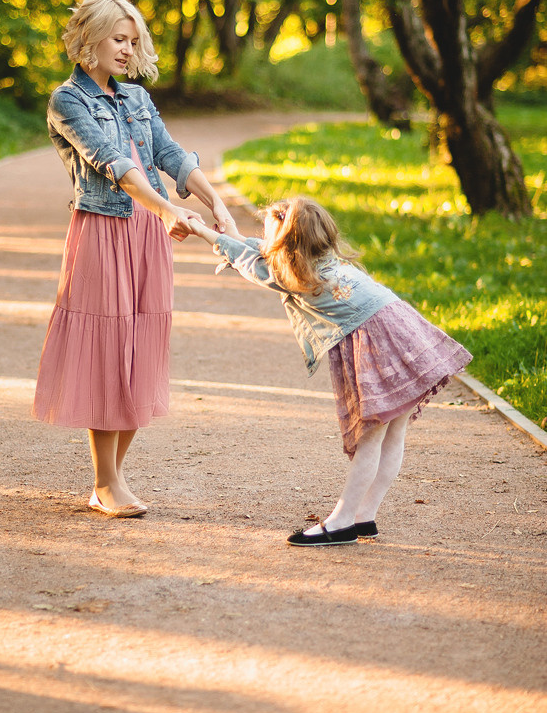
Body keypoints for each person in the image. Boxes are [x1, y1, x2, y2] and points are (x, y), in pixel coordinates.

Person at [33, 0, 238, 518]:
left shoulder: (139, 100)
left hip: (148, 234)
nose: (126, 49)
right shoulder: (67, 101)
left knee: (141, 347)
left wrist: (217, 203)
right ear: (90, 40)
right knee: (109, 350)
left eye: (132, 40)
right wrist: (166, 209)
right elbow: (113, 163)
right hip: (104, 232)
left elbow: (169, 154)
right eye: (117, 39)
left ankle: (112, 479)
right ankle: (105, 483)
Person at [188, 195, 472, 546]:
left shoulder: (294, 275)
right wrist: (227, 234)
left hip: (379, 342)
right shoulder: (321, 258)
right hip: (400, 327)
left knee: (372, 437)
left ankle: (341, 522)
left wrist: (203, 232)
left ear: (287, 245)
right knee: (393, 433)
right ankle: (364, 516)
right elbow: (259, 251)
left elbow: (253, 262)